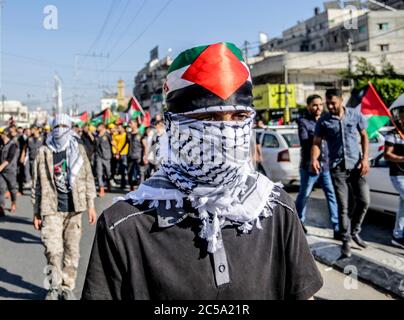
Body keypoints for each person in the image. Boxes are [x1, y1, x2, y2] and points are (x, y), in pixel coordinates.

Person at [82, 42, 323, 300]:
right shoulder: (125, 226)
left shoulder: (275, 209)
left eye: (239, 117)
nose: (227, 133)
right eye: (209, 119)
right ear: (175, 125)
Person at [31, 114, 97, 300]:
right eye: (56, 125)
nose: (60, 129)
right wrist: (35, 211)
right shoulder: (44, 152)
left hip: (74, 208)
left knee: (72, 251)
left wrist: (91, 205)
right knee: (52, 249)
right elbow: (36, 183)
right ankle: (53, 287)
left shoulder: (78, 149)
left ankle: (68, 287)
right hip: (50, 208)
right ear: (52, 128)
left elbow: (88, 177)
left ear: (70, 127)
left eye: (63, 125)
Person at [312, 88, 370, 258]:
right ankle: (346, 241)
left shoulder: (354, 115)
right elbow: (316, 142)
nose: (329, 106)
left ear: (341, 99)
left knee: (364, 200)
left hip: (357, 166)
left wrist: (365, 159)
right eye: (327, 103)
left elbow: (364, 136)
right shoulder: (323, 121)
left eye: (333, 102)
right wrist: (315, 159)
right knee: (343, 207)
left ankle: (355, 231)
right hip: (337, 169)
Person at [295, 95, 339, 236]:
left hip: (326, 166)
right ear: (308, 106)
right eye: (314, 105)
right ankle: (298, 222)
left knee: (331, 195)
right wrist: (320, 135)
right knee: (304, 195)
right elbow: (305, 141)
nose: (318, 107)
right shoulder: (303, 121)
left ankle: (337, 227)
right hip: (309, 166)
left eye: (320, 104)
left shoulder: (327, 120)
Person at [384, 104, 404, 249]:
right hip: (398, 175)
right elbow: (387, 154)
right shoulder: (393, 134)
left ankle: (397, 236)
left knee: (403, 206)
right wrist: (402, 159)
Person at [0, 128, 18, 216]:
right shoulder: (0, 143)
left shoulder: (12, 145)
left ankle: (13, 203)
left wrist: (1, 167)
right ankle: (1, 207)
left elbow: (9, 158)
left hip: (10, 170)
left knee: (12, 188)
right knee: (1, 188)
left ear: (5, 134)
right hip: (1, 171)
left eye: (1, 133)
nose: (0, 135)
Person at [95, 123, 113, 197]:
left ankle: (109, 184)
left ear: (102, 127)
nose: (97, 127)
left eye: (98, 126)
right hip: (99, 156)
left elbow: (112, 143)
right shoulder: (96, 135)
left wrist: (117, 152)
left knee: (108, 172)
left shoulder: (107, 135)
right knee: (99, 173)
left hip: (107, 156)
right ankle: (101, 189)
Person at [126, 119, 143, 191]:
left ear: (136, 124)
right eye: (129, 123)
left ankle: (141, 188)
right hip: (130, 155)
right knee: (129, 172)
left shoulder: (140, 133)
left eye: (131, 123)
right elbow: (126, 144)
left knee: (140, 172)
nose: (130, 125)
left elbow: (144, 145)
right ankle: (131, 187)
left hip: (138, 156)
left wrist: (145, 155)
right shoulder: (128, 134)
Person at [112, 124, 129, 189]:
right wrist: (116, 152)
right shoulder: (116, 135)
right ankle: (121, 183)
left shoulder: (126, 135)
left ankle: (124, 183)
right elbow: (114, 144)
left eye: (119, 128)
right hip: (118, 154)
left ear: (123, 129)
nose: (118, 129)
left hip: (124, 154)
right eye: (118, 128)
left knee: (124, 169)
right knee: (119, 169)